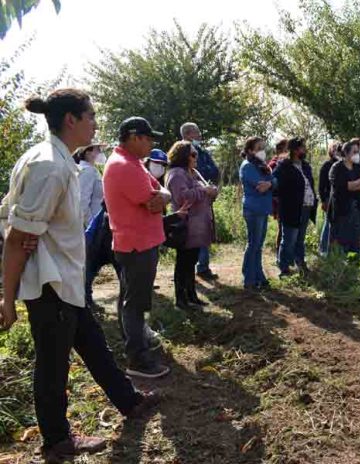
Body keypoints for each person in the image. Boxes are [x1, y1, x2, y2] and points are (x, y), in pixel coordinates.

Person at [0, 89, 158, 463]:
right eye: (90, 116)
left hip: (66, 278)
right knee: (52, 365)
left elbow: (13, 217)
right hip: (49, 283)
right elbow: (16, 233)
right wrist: (7, 297)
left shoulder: (56, 160)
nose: (95, 124)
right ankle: (57, 441)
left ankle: (130, 402)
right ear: (71, 120)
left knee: (93, 345)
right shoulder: (49, 166)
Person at [103, 116, 171, 379]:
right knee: (134, 303)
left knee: (128, 298)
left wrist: (163, 196)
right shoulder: (125, 166)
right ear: (134, 137)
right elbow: (153, 199)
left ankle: (134, 344)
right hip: (137, 245)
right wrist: (162, 197)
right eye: (148, 138)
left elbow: (160, 194)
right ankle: (138, 359)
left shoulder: (131, 163)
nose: (151, 143)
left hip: (135, 242)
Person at [166, 141, 216, 309]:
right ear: (183, 156)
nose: (196, 157)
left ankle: (192, 295)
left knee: (191, 262)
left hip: (197, 227)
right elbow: (181, 197)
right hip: (186, 226)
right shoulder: (177, 174)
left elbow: (206, 191)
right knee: (183, 263)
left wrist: (211, 190)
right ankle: (181, 300)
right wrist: (204, 191)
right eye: (193, 154)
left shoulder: (193, 172)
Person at [180, 122, 219, 281]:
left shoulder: (201, 152)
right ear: (188, 134)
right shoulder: (183, 153)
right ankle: (191, 269)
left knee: (204, 232)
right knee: (192, 235)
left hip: (205, 198)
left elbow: (213, 170)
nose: (200, 136)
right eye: (196, 133)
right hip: (193, 202)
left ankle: (203, 266)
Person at [274, 137, 318, 277]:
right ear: (294, 149)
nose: (304, 150)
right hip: (291, 208)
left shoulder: (305, 165)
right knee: (289, 238)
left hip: (306, 206)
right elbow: (275, 185)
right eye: (302, 147)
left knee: (300, 238)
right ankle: (284, 268)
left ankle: (300, 264)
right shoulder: (283, 166)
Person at [240, 136, 275, 289]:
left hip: (262, 208)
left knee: (258, 245)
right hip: (253, 209)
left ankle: (258, 276)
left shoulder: (262, 165)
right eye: (259, 148)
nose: (263, 151)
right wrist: (270, 183)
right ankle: (249, 279)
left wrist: (270, 183)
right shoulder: (248, 166)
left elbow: (275, 181)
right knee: (254, 244)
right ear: (249, 150)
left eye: (263, 148)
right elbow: (260, 186)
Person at [328, 139, 360, 253]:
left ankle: (354, 261)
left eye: (357, 151)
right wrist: (359, 182)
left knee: (355, 237)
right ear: (346, 153)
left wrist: (354, 185)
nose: (357, 154)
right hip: (341, 209)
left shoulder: (359, 167)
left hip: (357, 207)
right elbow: (344, 186)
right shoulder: (336, 168)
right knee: (341, 239)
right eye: (354, 152)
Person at [73, 143, 107, 228]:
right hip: (91, 225)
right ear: (88, 152)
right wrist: (91, 225)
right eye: (97, 149)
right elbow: (82, 202)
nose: (100, 152)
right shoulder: (88, 171)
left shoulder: (91, 170)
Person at [318, 141, 341, 256]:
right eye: (335, 149)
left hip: (339, 199)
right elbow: (321, 186)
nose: (337, 151)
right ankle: (323, 249)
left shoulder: (342, 164)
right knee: (328, 224)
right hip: (329, 198)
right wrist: (323, 200)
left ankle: (334, 249)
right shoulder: (327, 165)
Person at [268, 139, 289, 252]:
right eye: (286, 149)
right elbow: (271, 181)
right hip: (279, 200)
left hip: (287, 199)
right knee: (282, 228)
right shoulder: (274, 163)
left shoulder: (287, 162)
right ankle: (279, 253)